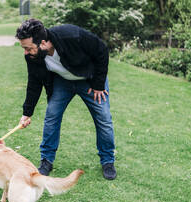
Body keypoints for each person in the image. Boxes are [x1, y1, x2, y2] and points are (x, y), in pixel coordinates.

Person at [15, 19, 117, 180]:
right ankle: (46, 161)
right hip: (63, 82)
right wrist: (27, 113)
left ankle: (108, 161)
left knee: (103, 118)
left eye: (28, 48)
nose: (26, 53)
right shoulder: (32, 57)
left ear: (43, 43)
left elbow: (101, 50)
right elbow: (34, 83)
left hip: (90, 81)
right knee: (52, 116)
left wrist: (98, 84)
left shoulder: (71, 35)